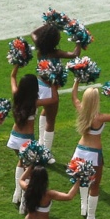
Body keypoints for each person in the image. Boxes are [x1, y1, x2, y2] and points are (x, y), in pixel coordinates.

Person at [71, 80, 110, 219]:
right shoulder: (99, 117)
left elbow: (74, 97)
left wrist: (76, 81)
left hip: (80, 151)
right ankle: (90, 218)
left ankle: (83, 206)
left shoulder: (81, 109)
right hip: (94, 154)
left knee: (82, 180)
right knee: (94, 186)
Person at [32, 22, 82, 156]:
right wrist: (79, 40)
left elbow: (33, 33)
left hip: (39, 85)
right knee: (51, 120)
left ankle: (41, 144)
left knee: (45, 112)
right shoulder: (55, 53)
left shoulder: (39, 48)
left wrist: (47, 24)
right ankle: (45, 153)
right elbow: (74, 54)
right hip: (49, 89)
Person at [8, 67, 40, 209]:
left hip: (15, 137)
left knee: (21, 163)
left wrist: (17, 65)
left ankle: (17, 194)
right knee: (29, 170)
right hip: (27, 140)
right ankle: (24, 203)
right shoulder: (35, 102)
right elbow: (53, 99)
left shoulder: (16, 95)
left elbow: (12, 77)